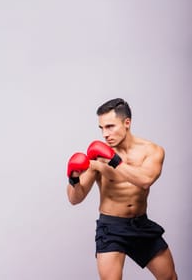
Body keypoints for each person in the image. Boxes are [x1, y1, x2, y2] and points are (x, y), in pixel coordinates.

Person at [66, 98, 177, 280]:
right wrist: (73, 178)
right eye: (101, 128)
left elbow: (145, 180)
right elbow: (74, 199)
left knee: (170, 278)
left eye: (110, 126)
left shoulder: (152, 151)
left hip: (140, 224)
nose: (105, 134)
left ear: (127, 123)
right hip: (111, 228)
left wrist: (114, 160)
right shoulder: (97, 158)